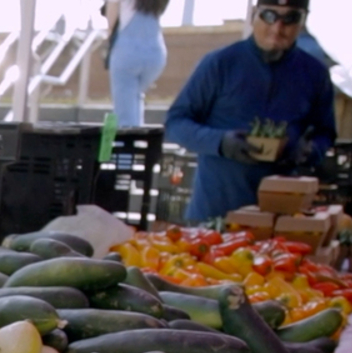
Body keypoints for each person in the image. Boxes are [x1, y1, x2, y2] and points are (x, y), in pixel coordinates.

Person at [165, 0, 336, 221]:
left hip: (279, 219)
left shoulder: (315, 74)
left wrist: (309, 150)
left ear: (303, 21)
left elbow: (326, 132)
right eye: (270, 16)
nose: (277, 28)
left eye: (290, 18)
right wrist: (221, 142)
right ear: (254, 15)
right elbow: (175, 123)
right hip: (216, 215)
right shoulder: (220, 64)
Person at [105, 0, 169, 128]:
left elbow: (111, 18)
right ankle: (137, 139)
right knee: (136, 96)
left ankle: (127, 145)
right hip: (156, 52)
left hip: (127, 51)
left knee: (124, 114)